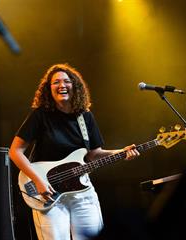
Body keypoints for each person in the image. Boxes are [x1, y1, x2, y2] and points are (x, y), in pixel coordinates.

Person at [8, 63, 140, 240]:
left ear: (75, 86)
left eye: (66, 81)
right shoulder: (40, 115)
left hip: (82, 192)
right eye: (55, 82)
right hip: (49, 195)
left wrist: (121, 152)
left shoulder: (85, 117)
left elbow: (94, 154)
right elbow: (15, 151)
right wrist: (38, 180)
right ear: (49, 89)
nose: (61, 85)